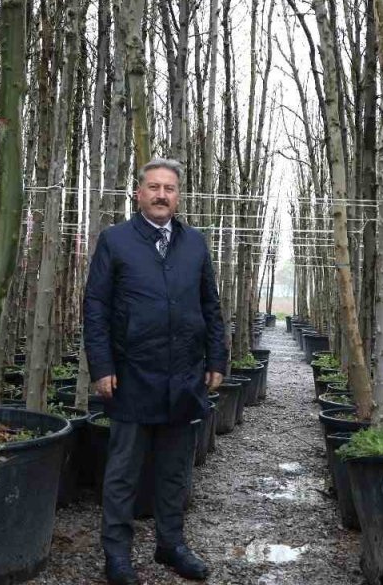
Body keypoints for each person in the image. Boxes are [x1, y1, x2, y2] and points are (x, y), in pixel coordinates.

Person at [84, 157, 227, 584]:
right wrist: (102, 365)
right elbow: (96, 308)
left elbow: (210, 305)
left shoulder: (195, 243)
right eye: (153, 187)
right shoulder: (115, 241)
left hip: (183, 374)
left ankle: (171, 544)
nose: (161, 195)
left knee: (175, 470)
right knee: (123, 473)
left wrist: (217, 358)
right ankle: (117, 555)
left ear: (178, 196)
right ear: (138, 193)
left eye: (169, 188)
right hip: (132, 374)